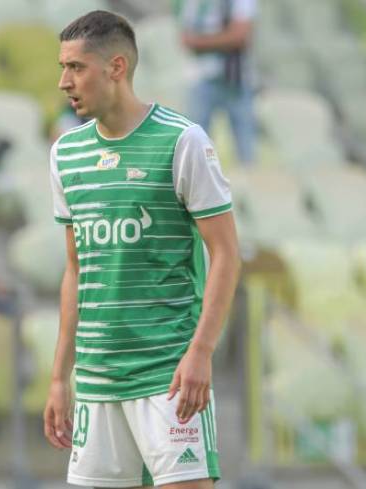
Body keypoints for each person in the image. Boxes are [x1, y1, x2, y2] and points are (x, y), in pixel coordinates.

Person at [45, 10, 240, 488]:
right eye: (63, 68)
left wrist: (201, 351)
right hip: (96, 380)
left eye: (76, 68)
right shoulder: (66, 154)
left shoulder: (182, 141)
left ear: (116, 67)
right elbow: (75, 270)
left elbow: (226, 254)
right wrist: (59, 377)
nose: (64, 82)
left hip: (167, 375)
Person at [176, 0, 257, 166]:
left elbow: (239, 36)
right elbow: (185, 36)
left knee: (246, 150)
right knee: (195, 150)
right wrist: (225, 38)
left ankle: (247, 180)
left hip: (236, 78)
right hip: (199, 78)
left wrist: (199, 42)